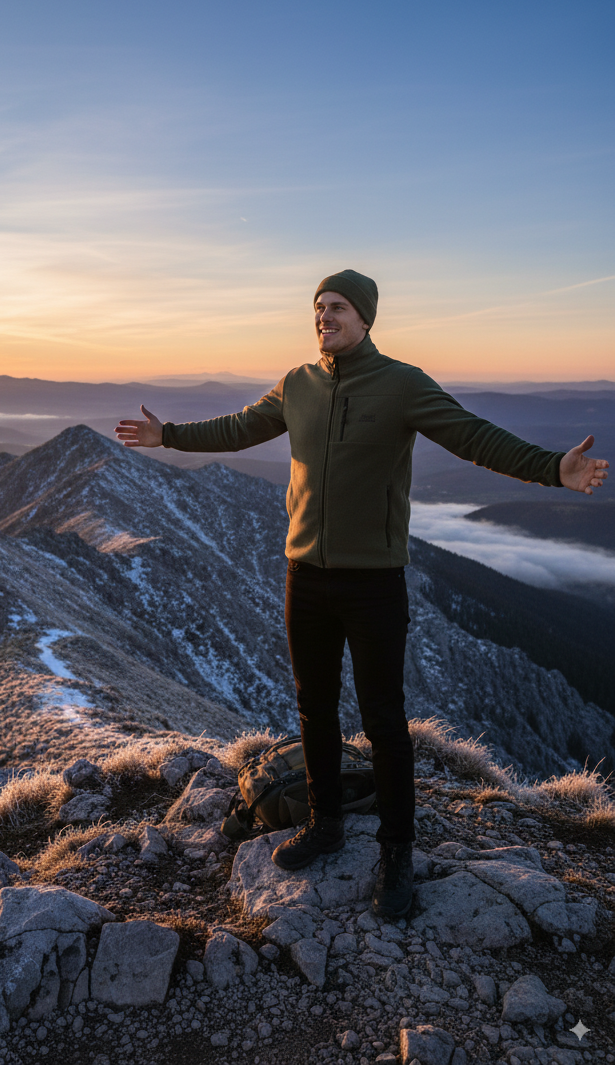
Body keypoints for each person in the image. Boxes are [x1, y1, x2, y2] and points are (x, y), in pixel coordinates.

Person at [114, 269, 609, 918]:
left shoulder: (401, 383)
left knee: (382, 717)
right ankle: (325, 823)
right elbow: (238, 428)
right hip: (306, 579)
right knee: (313, 708)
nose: (324, 316)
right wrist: (170, 435)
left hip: (375, 583)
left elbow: (472, 436)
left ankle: (398, 852)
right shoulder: (298, 384)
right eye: (318, 307)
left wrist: (552, 469)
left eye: (337, 307)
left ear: (366, 317)